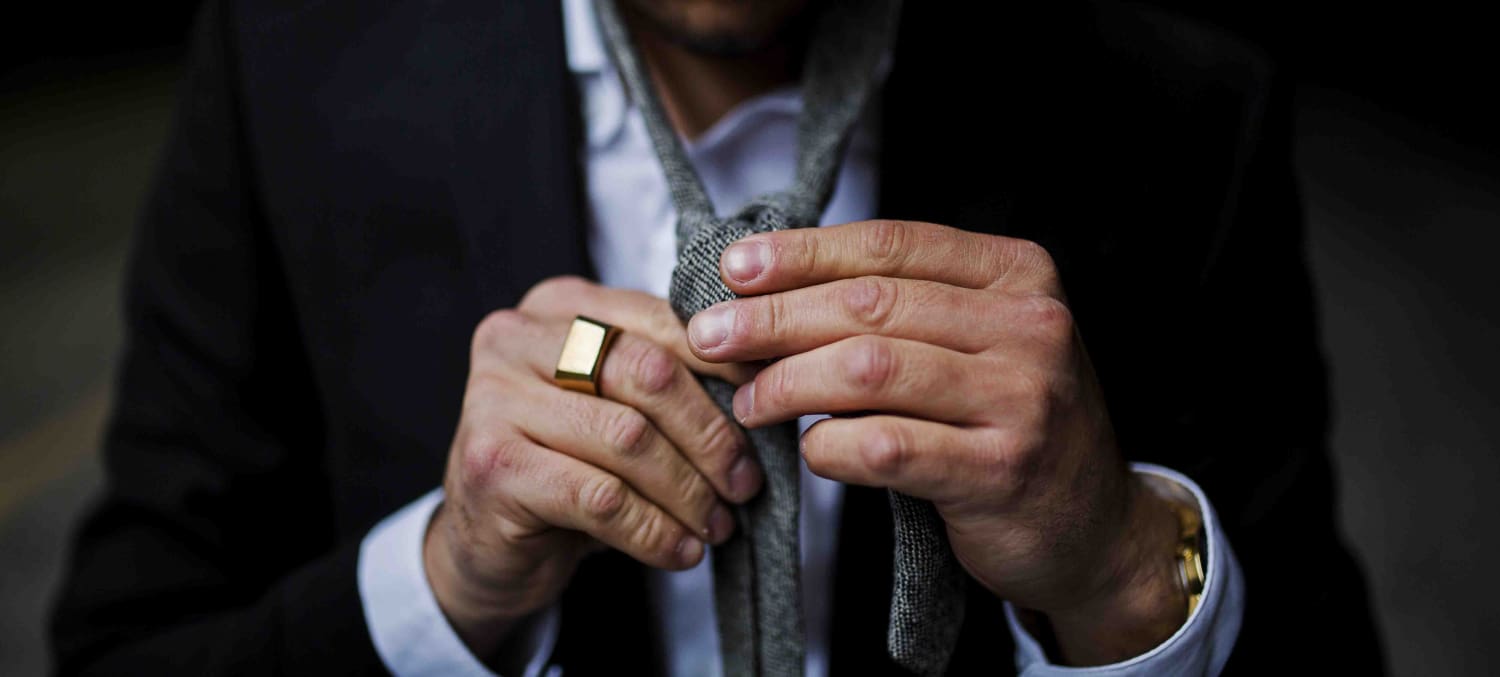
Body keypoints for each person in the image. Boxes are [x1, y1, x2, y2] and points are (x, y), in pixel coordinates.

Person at [49, 0, 1386, 674]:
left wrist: (1124, 573)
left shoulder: (1176, 105)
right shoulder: (290, 62)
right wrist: (443, 586)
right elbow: (125, 647)